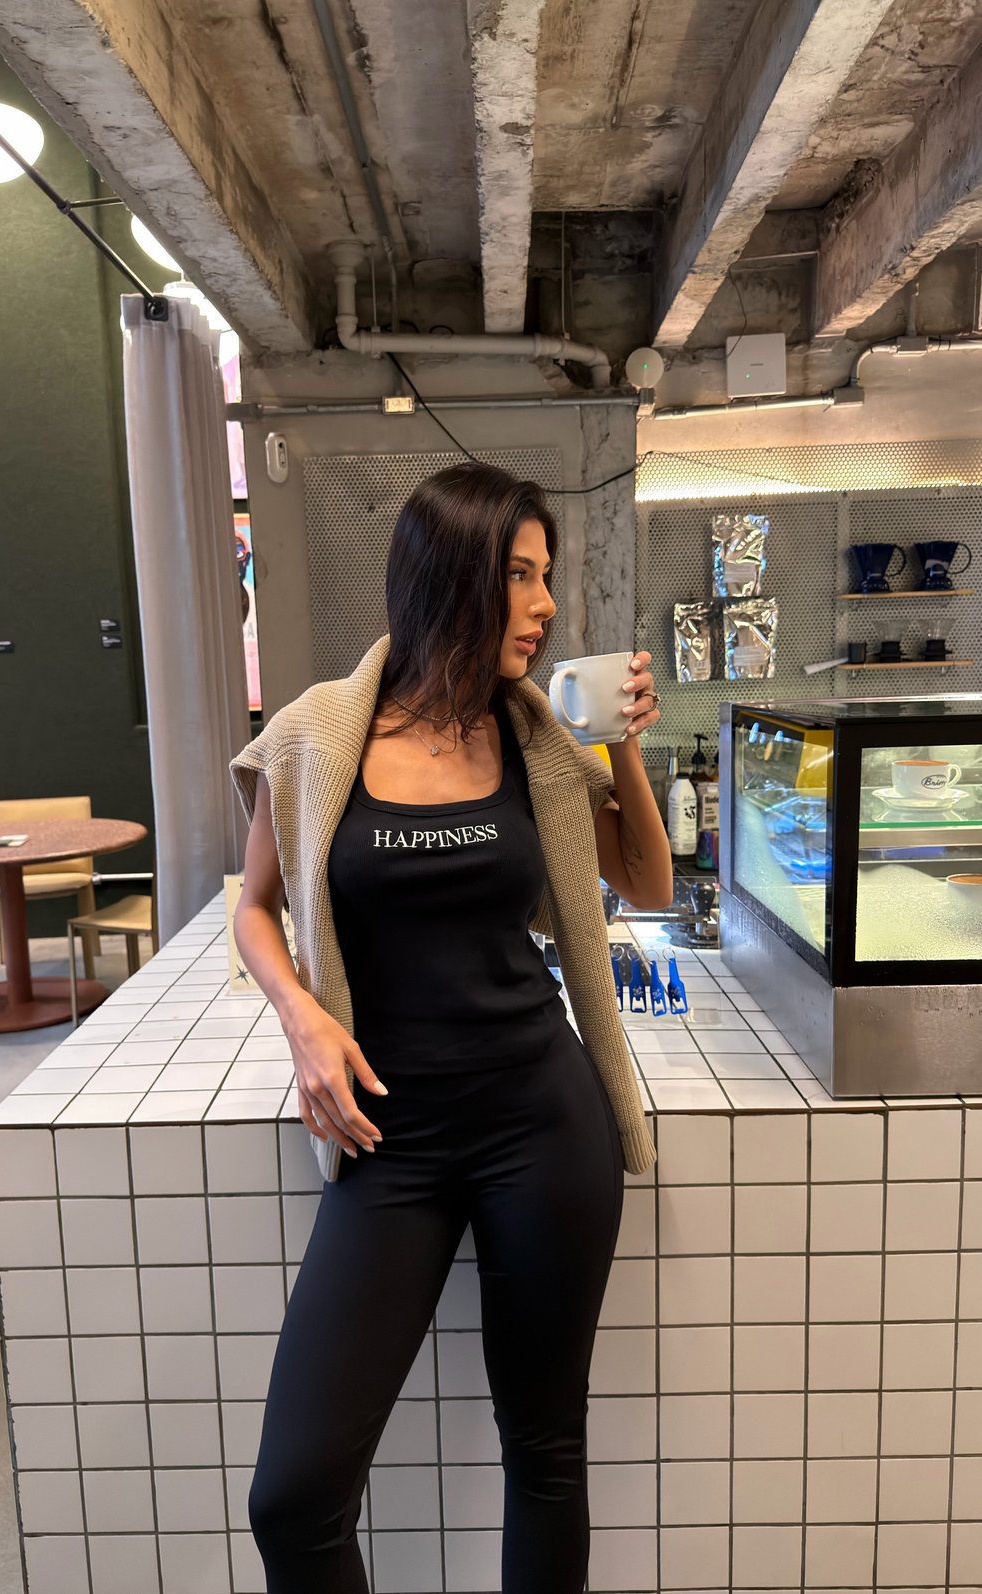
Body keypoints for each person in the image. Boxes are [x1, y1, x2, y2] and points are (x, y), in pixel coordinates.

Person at [230, 462, 672, 1594]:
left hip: (541, 1119)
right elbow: (254, 908)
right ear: (449, 576)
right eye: (519, 575)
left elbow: (646, 881)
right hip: (391, 1136)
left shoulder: (532, 738)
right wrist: (302, 1020)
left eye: (545, 576)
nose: (544, 604)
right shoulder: (317, 735)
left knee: (545, 1448)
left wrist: (621, 741)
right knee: (293, 1498)